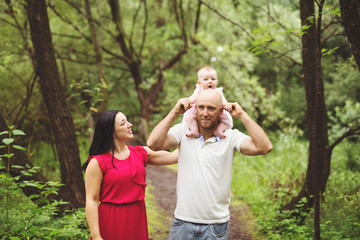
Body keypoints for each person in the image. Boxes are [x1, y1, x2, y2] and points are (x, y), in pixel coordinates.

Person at [146, 89, 272, 240]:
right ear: (195, 108)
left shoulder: (230, 136)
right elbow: (153, 144)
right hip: (183, 222)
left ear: (220, 111)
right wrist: (174, 112)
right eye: (201, 107)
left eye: (211, 108)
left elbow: (264, 147)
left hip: (216, 225)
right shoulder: (183, 131)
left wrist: (242, 115)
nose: (205, 113)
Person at [83, 110, 178, 240]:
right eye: (123, 123)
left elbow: (174, 157)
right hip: (111, 221)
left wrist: (193, 129)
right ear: (111, 132)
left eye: (127, 120)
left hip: (137, 218)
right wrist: (96, 236)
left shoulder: (140, 153)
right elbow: (91, 200)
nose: (130, 124)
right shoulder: (97, 162)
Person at [184, 66, 232, 139]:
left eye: (213, 79)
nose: (210, 81)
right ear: (199, 83)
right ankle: (194, 130)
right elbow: (193, 98)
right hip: (198, 113)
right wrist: (188, 101)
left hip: (216, 114)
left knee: (228, 121)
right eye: (206, 79)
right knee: (190, 118)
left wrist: (227, 105)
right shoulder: (199, 90)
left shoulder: (218, 91)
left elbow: (224, 102)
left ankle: (219, 130)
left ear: (216, 81)